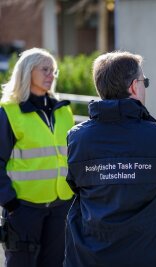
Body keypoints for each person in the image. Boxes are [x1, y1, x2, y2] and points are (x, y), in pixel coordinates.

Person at [63, 51, 156, 267]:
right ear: (133, 86)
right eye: (144, 82)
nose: (144, 87)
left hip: (91, 256)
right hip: (153, 255)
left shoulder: (77, 137)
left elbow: (75, 185)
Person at [0, 48, 74, 267]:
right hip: (23, 207)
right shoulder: (8, 112)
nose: (51, 75)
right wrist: (10, 202)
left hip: (60, 205)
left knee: (55, 263)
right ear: (27, 72)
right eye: (45, 69)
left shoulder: (64, 111)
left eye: (53, 70)